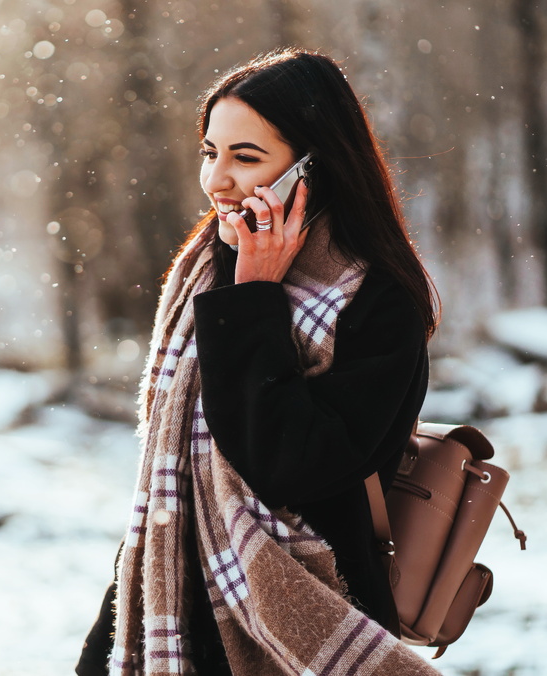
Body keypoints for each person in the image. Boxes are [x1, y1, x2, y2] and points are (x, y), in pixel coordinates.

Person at [77, 48, 441, 676]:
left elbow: (288, 465)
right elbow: (179, 473)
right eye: (210, 153)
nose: (217, 180)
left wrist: (255, 298)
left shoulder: (380, 301)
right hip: (179, 591)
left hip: (312, 612)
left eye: (245, 158)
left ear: (313, 170)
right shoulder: (205, 270)